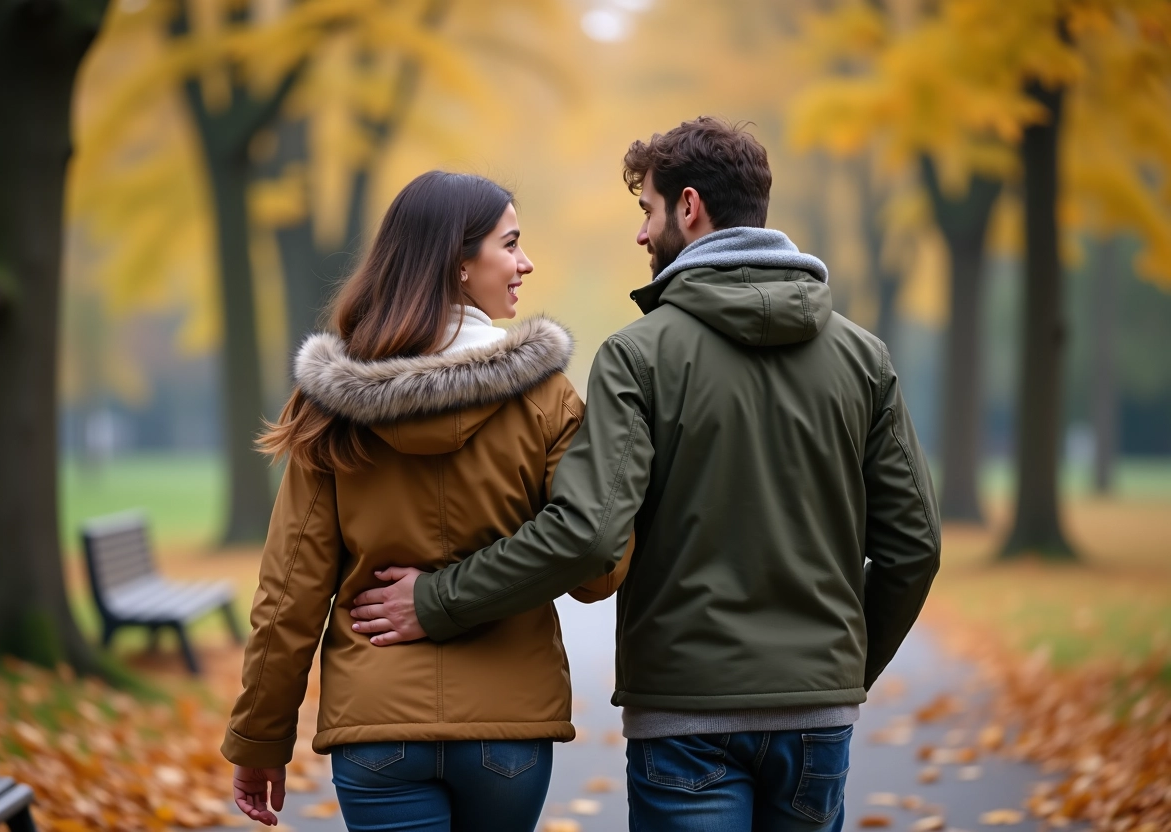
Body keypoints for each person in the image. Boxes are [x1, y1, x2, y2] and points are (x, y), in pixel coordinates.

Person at [350, 117, 942, 832]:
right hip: (818, 719)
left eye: (647, 210)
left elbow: (588, 538)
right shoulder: (863, 357)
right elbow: (915, 545)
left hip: (684, 722)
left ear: (689, 208)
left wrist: (437, 598)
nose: (640, 234)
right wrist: (836, 671)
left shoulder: (639, 356)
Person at [221, 170, 630, 832]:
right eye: (511, 244)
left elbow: (289, 591)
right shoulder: (548, 399)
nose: (526, 263)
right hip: (507, 729)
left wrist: (260, 738)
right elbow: (597, 571)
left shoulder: (332, 403)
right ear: (459, 264)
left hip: (378, 726)